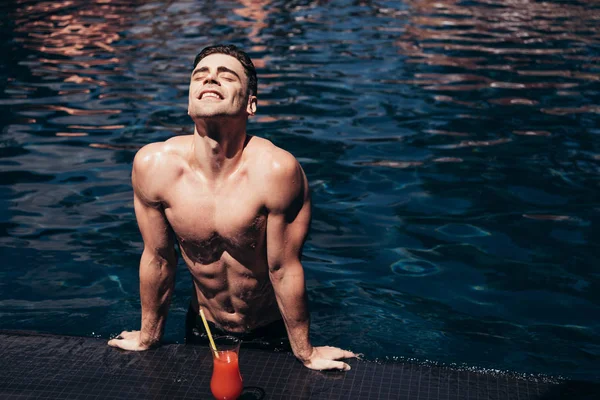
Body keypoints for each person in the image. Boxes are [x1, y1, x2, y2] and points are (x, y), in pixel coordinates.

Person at [108, 44, 356, 371]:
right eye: (200, 76)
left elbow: (283, 268)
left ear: (251, 104)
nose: (210, 80)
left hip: (270, 329)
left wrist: (306, 352)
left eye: (226, 77)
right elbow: (158, 258)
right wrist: (148, 336)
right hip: (204, 328)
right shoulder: (154, 166)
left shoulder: (276, 171)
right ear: (189, 99)